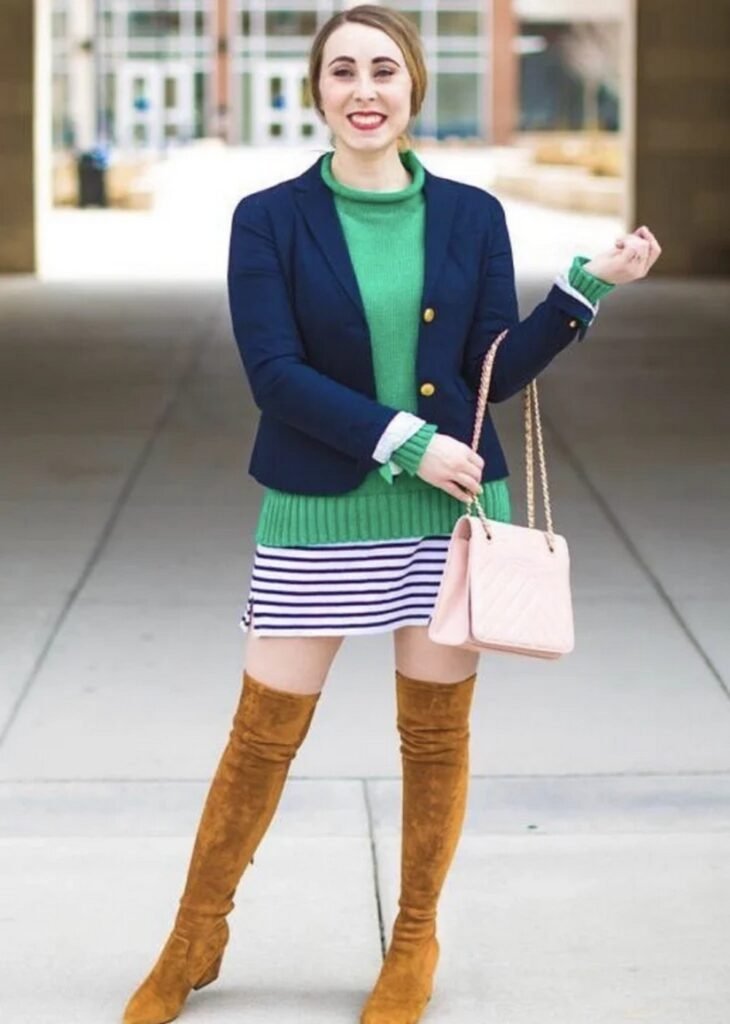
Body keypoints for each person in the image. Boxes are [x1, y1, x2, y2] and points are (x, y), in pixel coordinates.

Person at [121, 6, 661, 1024]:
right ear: (315, 91)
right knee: (260, 737)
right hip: (319, 509)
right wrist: (403, 440)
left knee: (433, 736)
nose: (363, 89)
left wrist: (587, 287)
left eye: (382, 70)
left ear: (413, 88)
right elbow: (273, 375)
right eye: (341, 72)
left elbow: (488, 376)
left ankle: (413, 940)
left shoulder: (469, 215)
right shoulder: (267, 219)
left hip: (446, 514)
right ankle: (195, 933)